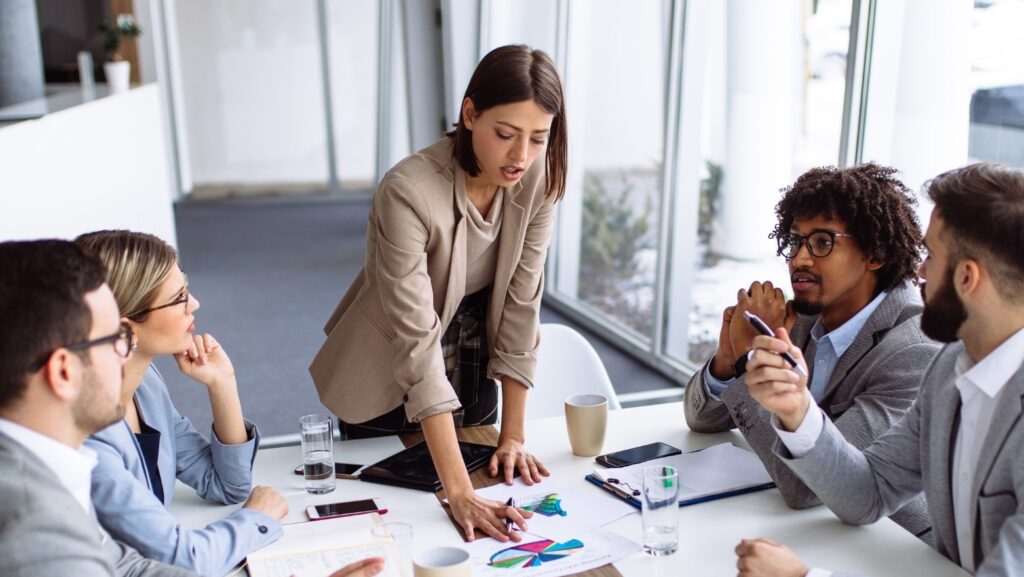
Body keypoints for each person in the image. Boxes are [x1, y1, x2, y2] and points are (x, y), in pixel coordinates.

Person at [310, 44, 567, 542]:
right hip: (389, 368)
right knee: (399, 529)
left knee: (485, 486)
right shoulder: (407, 190)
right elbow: (416, 340)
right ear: (469, 114)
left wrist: (513, 436)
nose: (521, 156)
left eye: (539, 138)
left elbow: (521, 302)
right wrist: (458, 492)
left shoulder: (540, 178)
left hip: (472, 357)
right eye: (506, 134)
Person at [735, 163, 1024, 577]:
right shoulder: (950, 370)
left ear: (967, 277)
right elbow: (867, 494)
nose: (919, 273)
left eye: (933, 257)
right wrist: (797, 411)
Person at [684, 163, 940, 538]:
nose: (799, 258)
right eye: (795, 241)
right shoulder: (804, 316)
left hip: (888, 551)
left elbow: (806, 488)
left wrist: (747, 361)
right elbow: (701, 421)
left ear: (875, 253)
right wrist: (727, 359)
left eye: (822, 242)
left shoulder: (912, 352)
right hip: (800, 532)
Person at [76, 230, 286, 577]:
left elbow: (227, 485)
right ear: (126, 329)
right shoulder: (87, 433)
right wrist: (257, 519)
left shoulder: (145, 384)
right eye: (180, 297)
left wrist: (223, 384)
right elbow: (181, 558)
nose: (195, 304)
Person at [0, 239, 194, 577]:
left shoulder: (44, 462)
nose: (127, 353)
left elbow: (123, 564)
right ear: (64, 371)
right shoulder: (38, 537)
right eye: (116, 339)